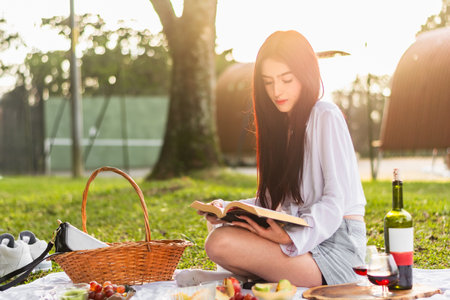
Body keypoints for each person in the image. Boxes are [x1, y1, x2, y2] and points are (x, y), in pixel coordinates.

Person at [193, 30, 366, 288]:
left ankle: (266, 276)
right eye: (268, 82)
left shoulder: (325, 115)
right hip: (297, 236)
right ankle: (268, 276)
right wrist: (229, 209)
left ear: (305, 75)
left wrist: (289, 239)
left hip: (337, 247)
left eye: (286, 79)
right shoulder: (280, 127)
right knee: (222, 235)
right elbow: (276, 203)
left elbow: (335, 201)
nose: (277, 91)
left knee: (221, 243)